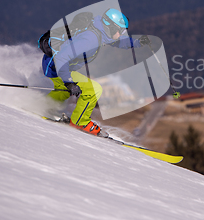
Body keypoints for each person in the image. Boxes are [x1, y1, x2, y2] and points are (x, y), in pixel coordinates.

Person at [39, 8, 151, 137]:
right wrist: (69, 81)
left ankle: (43, 106)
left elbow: (117, 41)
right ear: (110, 27)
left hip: (56, 64)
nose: (121, 34)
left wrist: (137, 42)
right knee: (93, 89)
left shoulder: (100, 31)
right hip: (57, 66)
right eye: (119, 30)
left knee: (63, 91)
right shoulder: (90, 38)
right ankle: (80, 122)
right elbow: (61, 58)